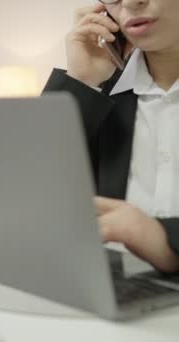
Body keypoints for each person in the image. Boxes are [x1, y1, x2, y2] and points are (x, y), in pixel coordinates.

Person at [43, 0, 179, 272]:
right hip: (114, 291)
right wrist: (80, 81)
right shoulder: (98, 96)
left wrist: (164, 239)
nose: (129, 1)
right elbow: (25, 199)